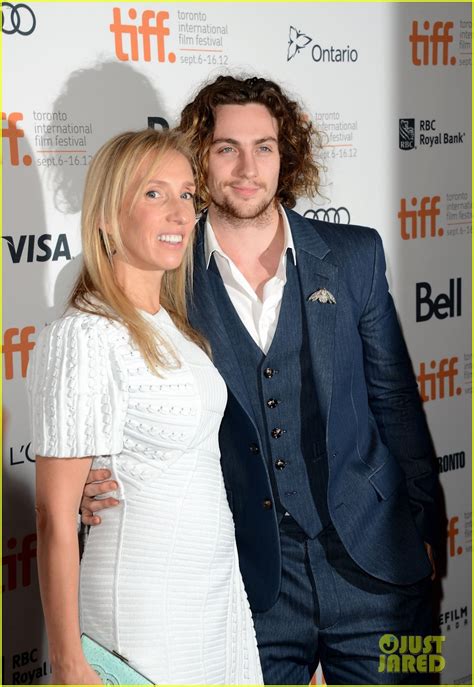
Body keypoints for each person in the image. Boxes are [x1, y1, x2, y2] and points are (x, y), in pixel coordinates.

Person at [81, 77, 438, 685]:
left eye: (264, 147)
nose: (248, 168)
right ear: (201, 157)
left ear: (285, 155)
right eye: (227, 148)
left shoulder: (355, 254)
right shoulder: (165, 272)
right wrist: (89, 482)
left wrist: (427, 529)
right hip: (249, 583)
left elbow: (395, 400)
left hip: (380, 568)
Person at [28, 128, 263, 685]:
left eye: (187, 195)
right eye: (154, 194)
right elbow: (53, 515)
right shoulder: (86, 334)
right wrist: (67, 662)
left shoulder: (177, 329)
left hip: (214, 597)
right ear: (108, 216)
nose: (179, 213)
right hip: (142, 610)